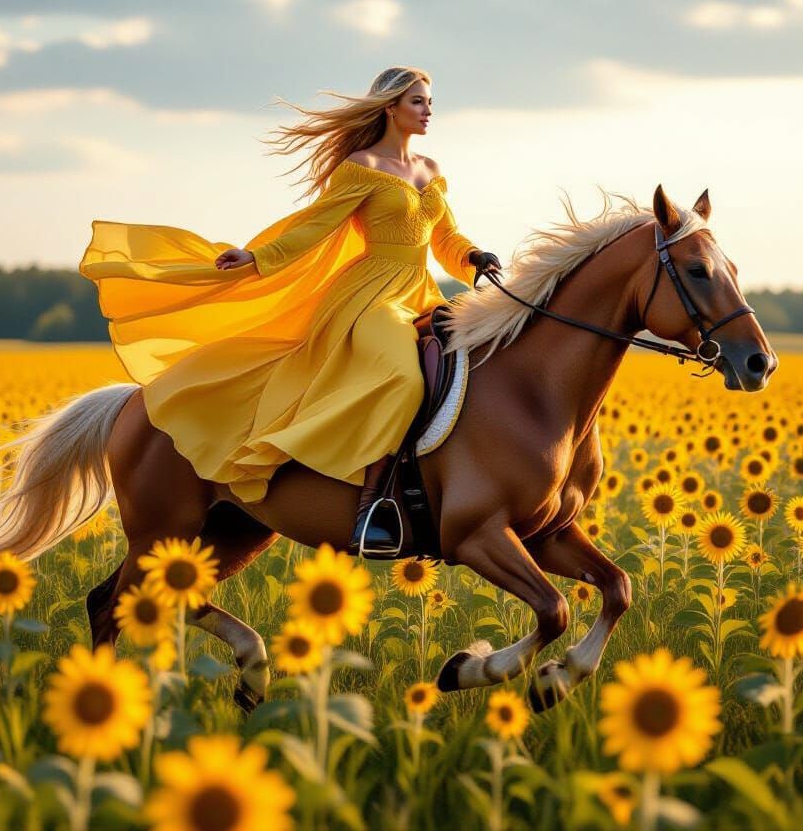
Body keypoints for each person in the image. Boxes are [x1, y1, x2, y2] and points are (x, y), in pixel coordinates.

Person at [78, 66, 501, 556]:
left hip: (421, 293)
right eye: (418, 102)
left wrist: (473, 257)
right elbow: (313, 229)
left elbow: (446, 239)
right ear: (390, 107)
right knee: (402, 381)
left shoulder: (430, 170)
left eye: (430, 102)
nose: (428, 111)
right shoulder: (362, 166)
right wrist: (257, 258)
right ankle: (373, 504)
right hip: (370, 299)